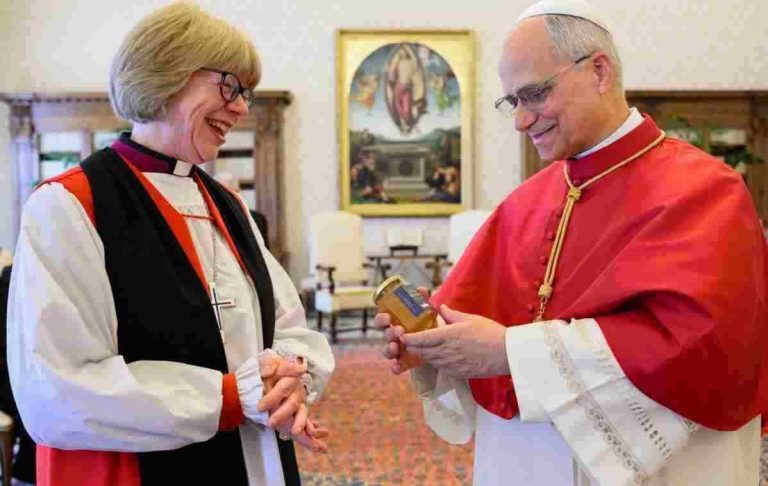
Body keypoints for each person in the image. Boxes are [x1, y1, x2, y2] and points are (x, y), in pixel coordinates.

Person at [376, 1, 767, 485]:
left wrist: (508, 352)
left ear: (599, 70)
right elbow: (473, 319)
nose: (520, 121)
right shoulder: (523, 204)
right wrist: (434, 348)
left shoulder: (708, 191)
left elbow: (698, 348)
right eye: (511, 102)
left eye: (534, 95)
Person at [7, 4, 334, 486]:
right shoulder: (69, 206)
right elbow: (54, 388)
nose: (242, 108)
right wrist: (225, 397)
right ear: (166, 73)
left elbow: (289, 326)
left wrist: (289, 377)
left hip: (254, 460)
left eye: (247, 93)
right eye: (230, 86)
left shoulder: (229, 206)